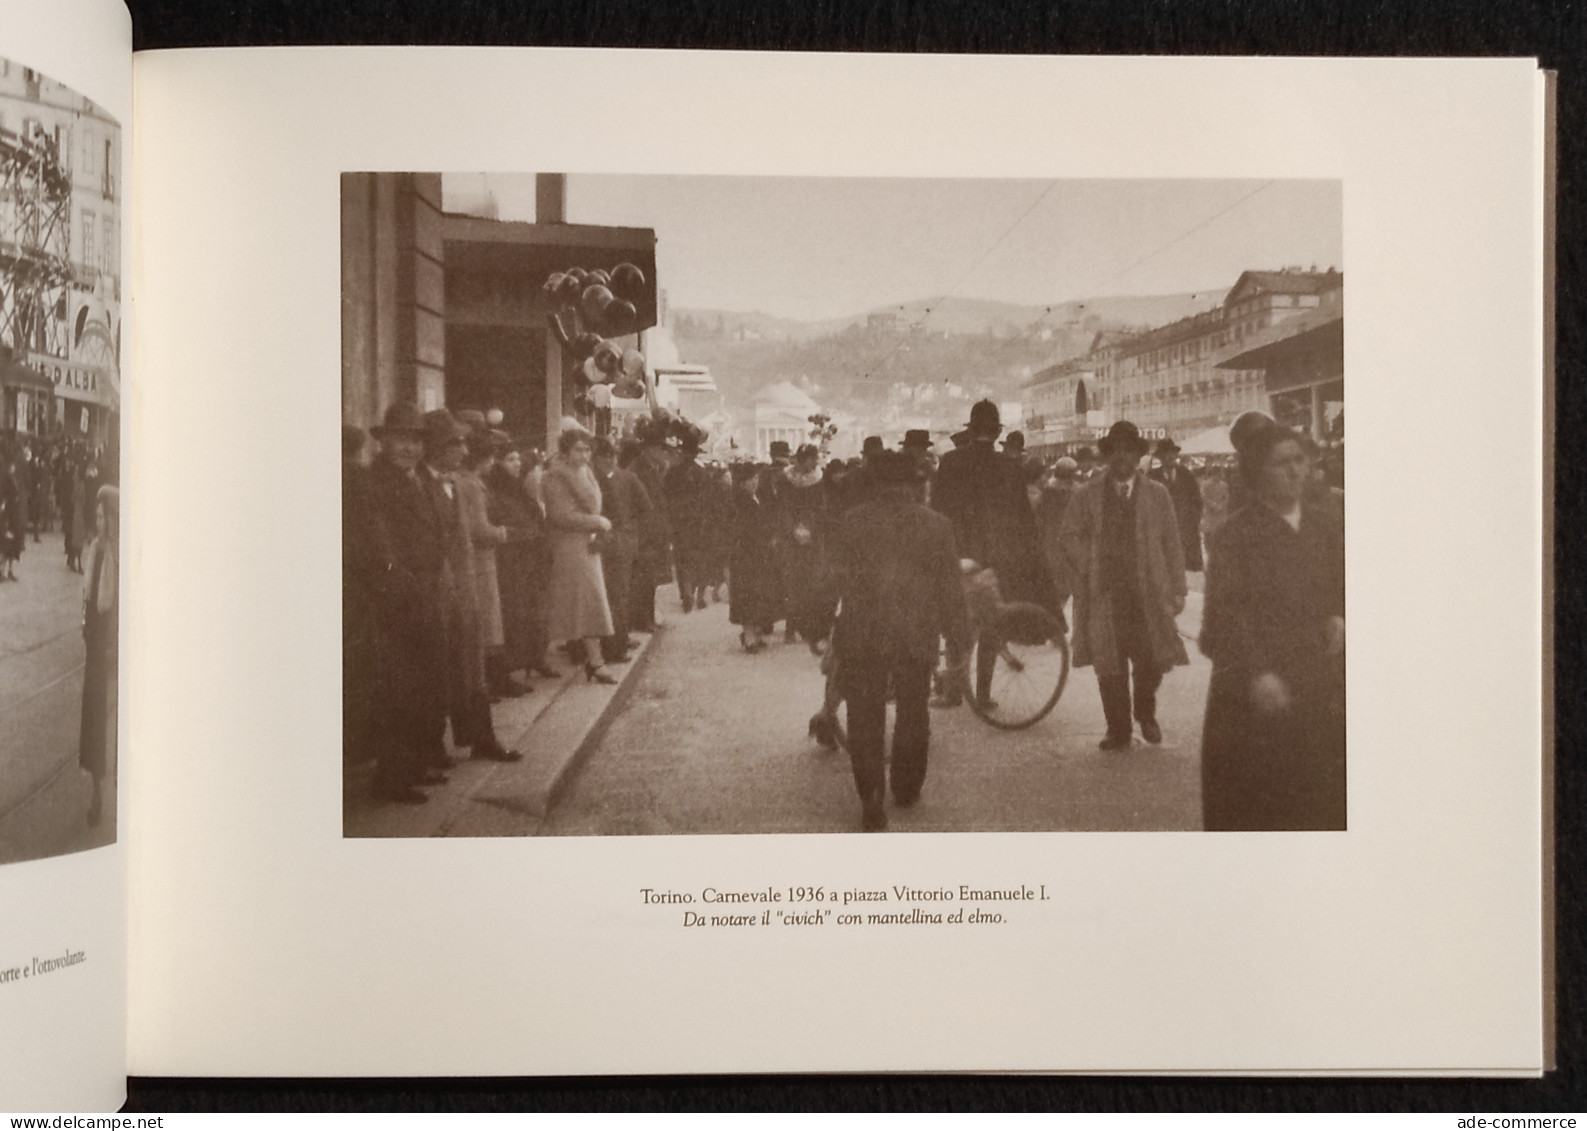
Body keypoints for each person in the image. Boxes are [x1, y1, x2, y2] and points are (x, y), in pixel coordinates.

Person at [1199, 417, 1345, 830]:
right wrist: (1256, 674)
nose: (1296, 471)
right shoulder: (1235, 537)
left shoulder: (1326, 527)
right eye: (1283, 463)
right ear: (1257, 472)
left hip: (1319, 689)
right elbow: (1219, 624)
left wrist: (1340, 616)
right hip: (1253, 701)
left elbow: (1343, 588)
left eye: (1300, 460)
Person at [830, 451, 970, 831]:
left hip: (862, 633)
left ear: (873, 485)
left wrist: (820, 629)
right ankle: (906, 787)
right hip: (915, 632)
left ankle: (871, 796)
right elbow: (950, 589)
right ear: (915, 484)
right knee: (913, 710)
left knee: (864, 715)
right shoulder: (937, 525)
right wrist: (960, 638)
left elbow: (830, 581)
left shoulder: (851, 522)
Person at [1054, 420, 1188, 750]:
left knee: (1151, 660)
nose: (1123, 457)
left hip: (1147, 593)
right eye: (1116, 451)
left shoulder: (1158, 494)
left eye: (1129, 451)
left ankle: (1145, 712)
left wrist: (1179, 588)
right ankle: (1118, 730)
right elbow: (1068, 535)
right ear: (1108, 455)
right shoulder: (1086, 495)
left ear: (1138, 456)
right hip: (1105, 594)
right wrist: (1089, 563)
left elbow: (1172, 541)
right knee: (1109, 665)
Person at [930, 399, 1055, 706]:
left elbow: (939, 512)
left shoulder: (950, 462)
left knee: (958, 623)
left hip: (959, 554)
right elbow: (1024, 519)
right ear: (998, 432)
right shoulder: (1010, 466)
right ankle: (983, 695)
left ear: (971, 430)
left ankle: (953, 692)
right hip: (999, 557)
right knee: (991, 624)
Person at [357, 404, 450, 803]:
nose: (409, 448)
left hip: (425, 596)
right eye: (400, 440)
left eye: (415, 441)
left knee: (422, 688)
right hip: (394, 603)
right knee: (397, 692)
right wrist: (406, 585)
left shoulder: (418, 481)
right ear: (384, 442)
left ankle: (413, 767)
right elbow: (379, 549)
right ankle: (391, 779)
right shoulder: (373, 483)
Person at [421, 410, 521, 765]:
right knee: (441, 672)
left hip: (465, 591)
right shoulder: (427, 483)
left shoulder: (455, 483)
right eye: (455, 444)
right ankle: (433, 747)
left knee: (472, 670)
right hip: (437, 594)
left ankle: (481, 738)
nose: (463, 452)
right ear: (434, 448)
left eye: (462, 444)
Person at [543, 426, 619, 684]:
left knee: (586, 603)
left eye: (587, 449)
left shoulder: (585, 472)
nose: (584, 454)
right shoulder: (555, 476)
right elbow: (561, 516)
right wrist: (596, 521)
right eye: (578, 449)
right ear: (565, 451)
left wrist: (596, 525)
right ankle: (590, 661)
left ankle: (594, 661)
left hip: (587, 544)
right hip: (569, 546)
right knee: (577, 603)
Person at [456, 431, 524, 699]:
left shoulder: (471, 481)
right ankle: (487, 684)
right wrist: (504, 533)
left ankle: (490, 682)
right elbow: (478, 528)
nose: (492, 463)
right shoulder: (471, 484)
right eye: (490, 457)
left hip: (484, 561)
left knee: (488, 624)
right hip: (481, 562)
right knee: (486, 625)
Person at [486, 441, 555, 688]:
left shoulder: (519, 488)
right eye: (510, 459)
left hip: (531, 559)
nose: (516, 464)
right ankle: (508, 669)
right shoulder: (495, 490)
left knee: (535, 612)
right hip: (511, 562)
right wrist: (524, 534)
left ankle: (536, 658)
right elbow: (498, 523)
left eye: (517, 459)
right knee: (514, 615)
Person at [593, 435, 654, 664]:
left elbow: (646, 508)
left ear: (605, 457)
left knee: (615, 596)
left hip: (616, 543)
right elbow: (646, 508)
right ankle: (615, 643)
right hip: (616, 542)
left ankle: (615, 646)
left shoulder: (618, 478)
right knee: (615, 595)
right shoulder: (626, 477)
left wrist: (629, 531)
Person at [79, 485, 118, 826]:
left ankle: (102, 793)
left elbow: (110, 608)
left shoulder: (114, 557)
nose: (99, 520)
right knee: (92, 717)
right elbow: (88, 598)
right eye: (97, 515)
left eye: (104, 516)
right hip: (93, 642)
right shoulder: (94, 550)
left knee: (103, 719)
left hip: (104, 645)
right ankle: (96, 790)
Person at [775, 443, 832, 649]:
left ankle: (808, 628)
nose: (816, 461)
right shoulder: (784, 478)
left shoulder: (820, 478)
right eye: (812, 458)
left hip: (814, 537)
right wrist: (793, 529)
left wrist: (810, 528)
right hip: (790, 537)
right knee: (792, 581)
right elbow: (782, 507)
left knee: (812, 581)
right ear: (802, 459)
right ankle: (791, 627)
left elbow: (822, 508)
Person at [728, 463, 782, 652]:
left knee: (758, 593)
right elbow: (741, 528)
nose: (754, 483)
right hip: (745, 553)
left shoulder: (757, 498)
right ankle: (749, 635)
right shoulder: (739, 501)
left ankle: (755, 634)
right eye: (750, 480)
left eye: (756, 479)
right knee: (747, 594)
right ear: (741, 482)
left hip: (759, 553)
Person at [665, 433, 717, 612]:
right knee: (700, 559)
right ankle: (699, 595)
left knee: (683, 559)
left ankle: (687, 593)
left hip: (681, 522)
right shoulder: (702, 473)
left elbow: (667, 498)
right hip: (700, 522)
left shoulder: (672, 472)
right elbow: (710, 500)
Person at [627, 430, 673, 631]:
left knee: (649, 577)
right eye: (660, 448)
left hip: (653, 531)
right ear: (648, 449)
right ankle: (642, 620)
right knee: (644, 578)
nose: (663, 453)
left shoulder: (650, 468)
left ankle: (647, 617)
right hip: (645, 533)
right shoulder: (639, 469)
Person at [1151, 437, 1205, 572]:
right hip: (1161, 535)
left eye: (1172, 454)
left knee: (1183, 570)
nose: (1170, 457)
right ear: (1161, 457)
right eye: (1166, 454)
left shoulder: (1186, 474)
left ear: (1176, 455)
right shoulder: (1153, 477)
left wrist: (1192, 522)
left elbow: (1196, 501)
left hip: (1184, 532)